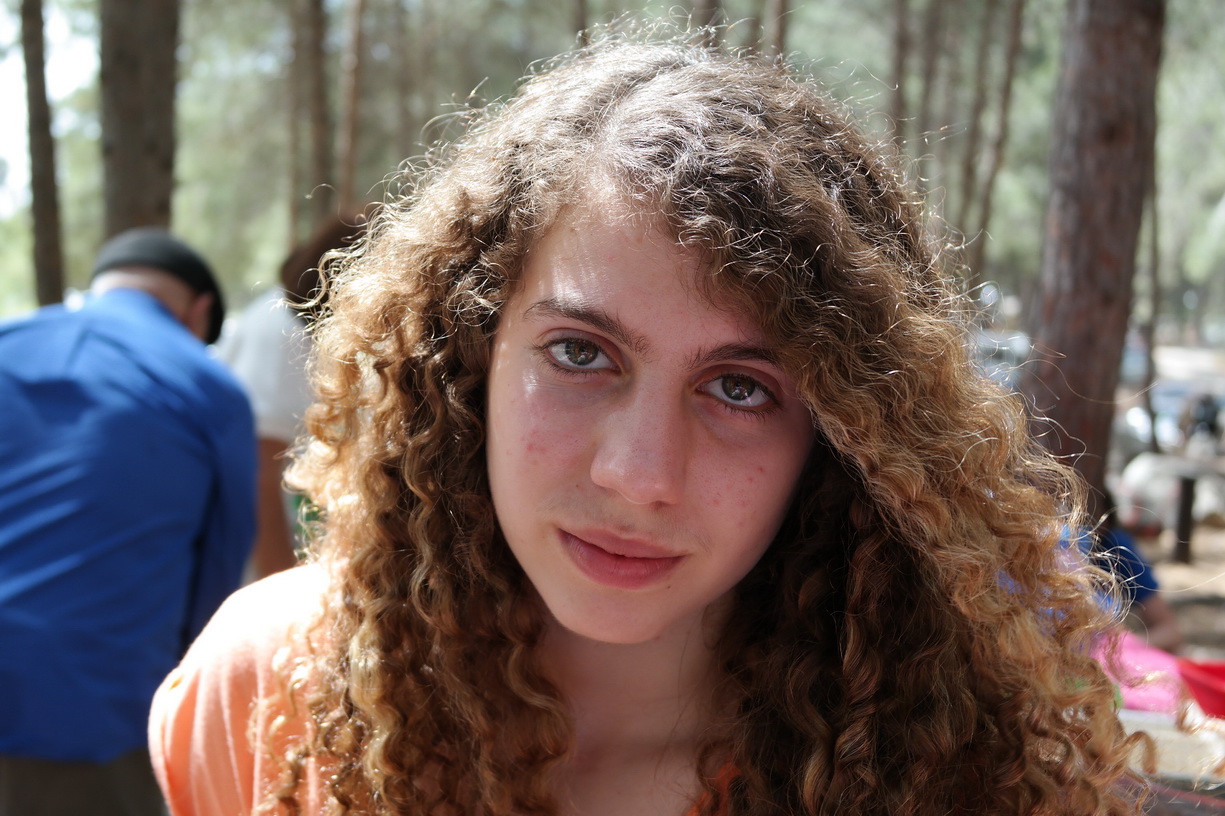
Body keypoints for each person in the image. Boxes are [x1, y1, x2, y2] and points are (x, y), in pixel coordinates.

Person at [149, 36, 1148, 816]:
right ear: (471, 354)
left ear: (843, 439)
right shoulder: (265, 691)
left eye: (740, 389)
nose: (638, 474)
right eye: (580, 353)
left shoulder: (948, 773)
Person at [0, 228, 257, 815]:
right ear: (198, 312)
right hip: (87, 707)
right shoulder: (208, 386)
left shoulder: (7, 340)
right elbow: (218, 579)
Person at [220, 215, 366, 579]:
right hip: (261, 566)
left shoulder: (298, 325)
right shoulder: (281, 334)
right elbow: (259, 475)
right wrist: (280, 579)